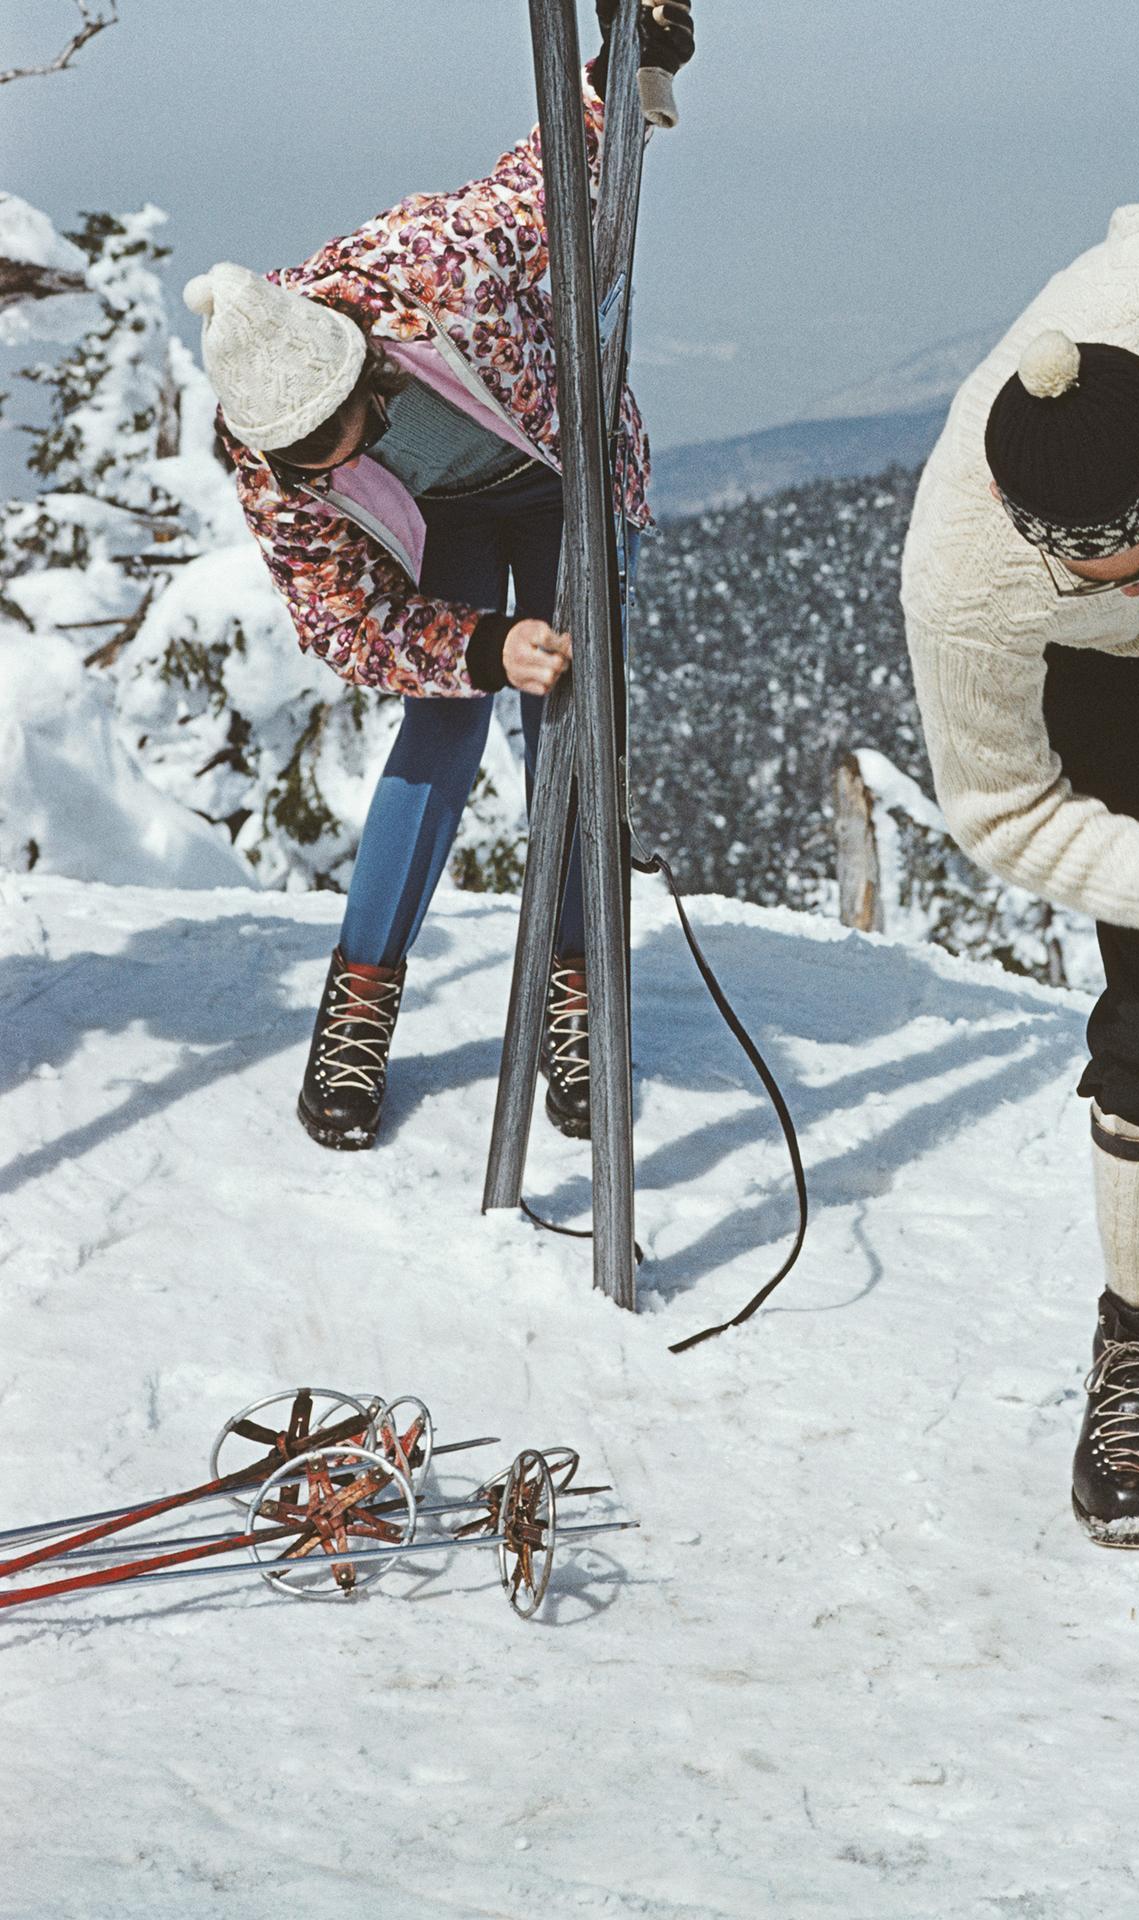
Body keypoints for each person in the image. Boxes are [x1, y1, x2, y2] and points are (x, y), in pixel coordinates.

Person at [185, 2, 694, 1152]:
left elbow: (547, 183)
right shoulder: (271, 458)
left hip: (559, 477)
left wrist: (627, 66)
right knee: (442, 734)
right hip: (446, 526)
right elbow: (342, 616)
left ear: (360, 366)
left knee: (561, 725)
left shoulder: (435, 271)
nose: (339, 466)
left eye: (347, 435)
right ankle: (361, 995)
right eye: (312, 463)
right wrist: (471, 646)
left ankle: (572, 982)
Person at [901, 155, 1139, 1547]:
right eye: (1093, 571)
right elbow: (999, 811)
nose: (1134, 577)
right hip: (1112, 699)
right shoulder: (969, 580)